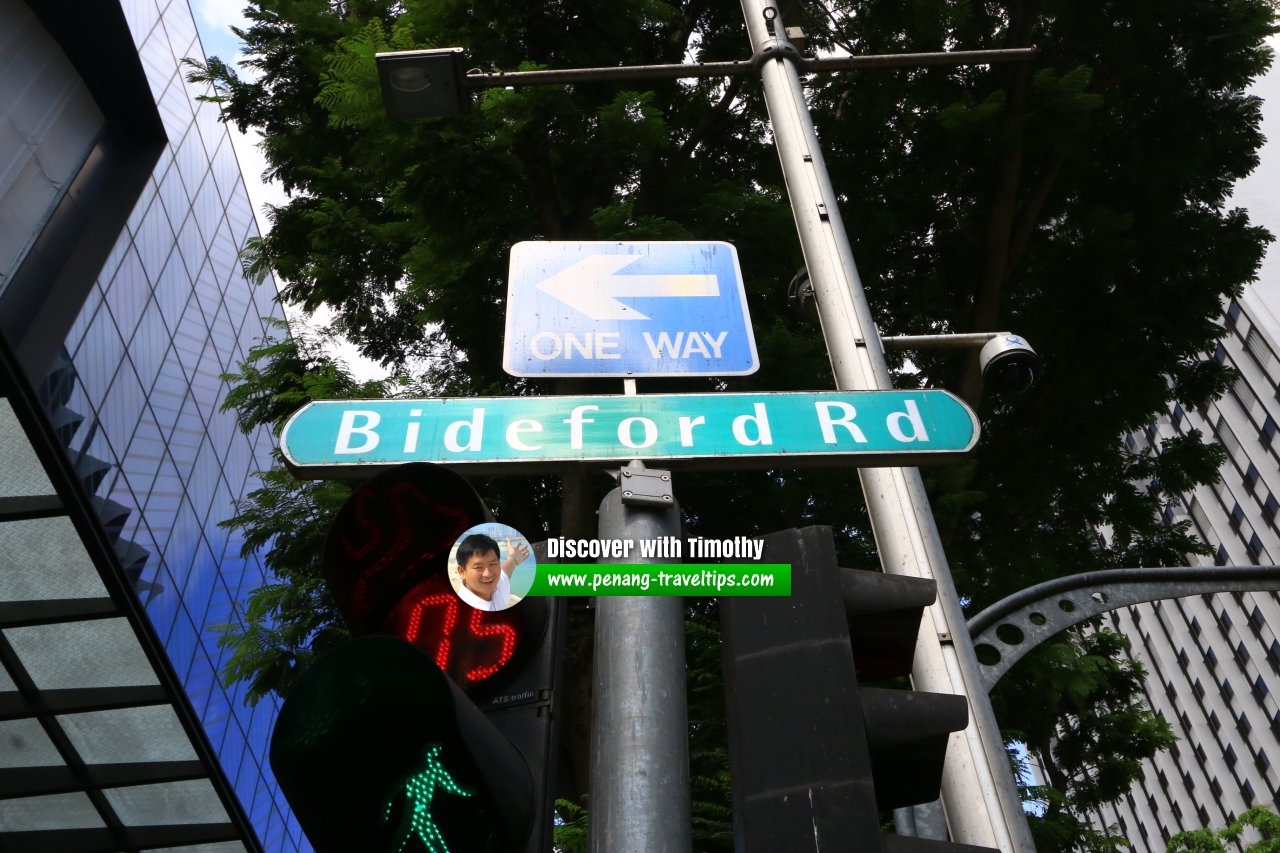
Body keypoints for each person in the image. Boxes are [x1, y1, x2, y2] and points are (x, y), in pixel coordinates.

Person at [453, 533, 529, 611]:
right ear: (462, 572)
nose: (488, 574)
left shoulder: (498, 586)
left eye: (492, 564)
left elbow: (505, 571)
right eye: (478, 567)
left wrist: (513, 557)